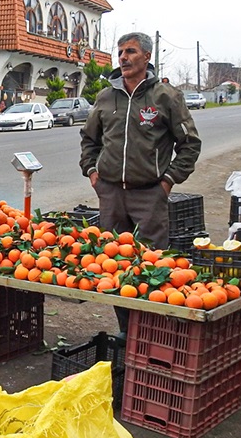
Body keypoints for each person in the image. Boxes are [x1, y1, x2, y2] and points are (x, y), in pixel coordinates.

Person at [79, 32, 202, 331]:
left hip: (149, 196)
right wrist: (93, 173)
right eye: (120, 52)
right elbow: (89, 139)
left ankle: (149, 332)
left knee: (150, 266)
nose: (123, 57)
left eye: (131, 51)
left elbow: (190, 144)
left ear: (147, 57)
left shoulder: (166, 96)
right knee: (114, 267)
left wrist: (168, 181)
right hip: (110, 195)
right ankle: (125, 329)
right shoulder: (106, 96)